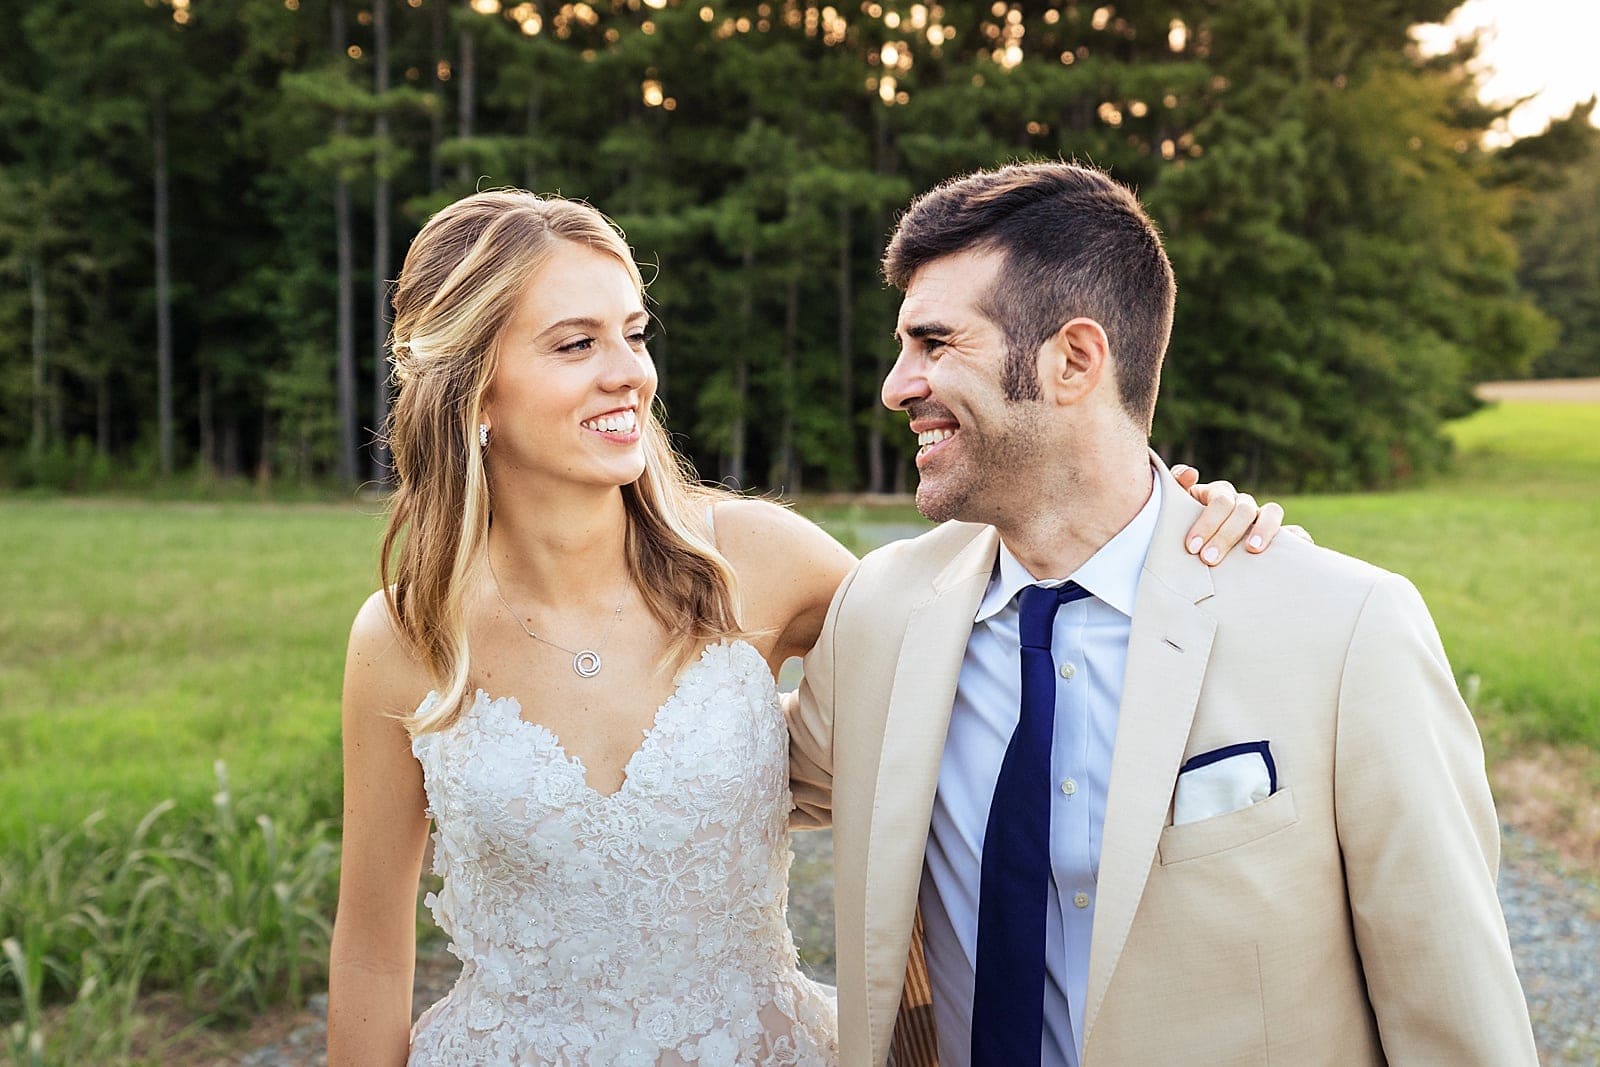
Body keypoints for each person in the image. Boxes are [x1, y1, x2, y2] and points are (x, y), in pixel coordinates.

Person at [326, 189, 1282, 1065]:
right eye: (576, 345)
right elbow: (372, 948)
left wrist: (1165, 518)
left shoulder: (758, 559)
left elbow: (992, 622)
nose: (631, 375)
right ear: (472, 389)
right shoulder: (405, 637)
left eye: (634, 333)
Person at [787, 160, 1539, 1066]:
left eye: (936, 344)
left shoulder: (1345, 630)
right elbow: (724, 783)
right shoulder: (880, 612)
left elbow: (1458, 1022)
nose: (896, 385)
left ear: (1074, 360)